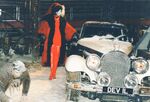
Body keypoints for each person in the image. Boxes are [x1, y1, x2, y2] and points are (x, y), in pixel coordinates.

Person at [37, 2, 78, 80]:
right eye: (58, 11)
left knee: (57, 57)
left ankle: (53, 73)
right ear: (55, 11)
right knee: (52, 57)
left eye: (60, 11)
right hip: (51, 42)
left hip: (60, 42)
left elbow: (68, 29)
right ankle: (52, 73)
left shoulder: (62, 21)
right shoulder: (48, 20)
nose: (60, 13)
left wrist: (74, 35)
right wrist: (41, 35)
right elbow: (43, 28)